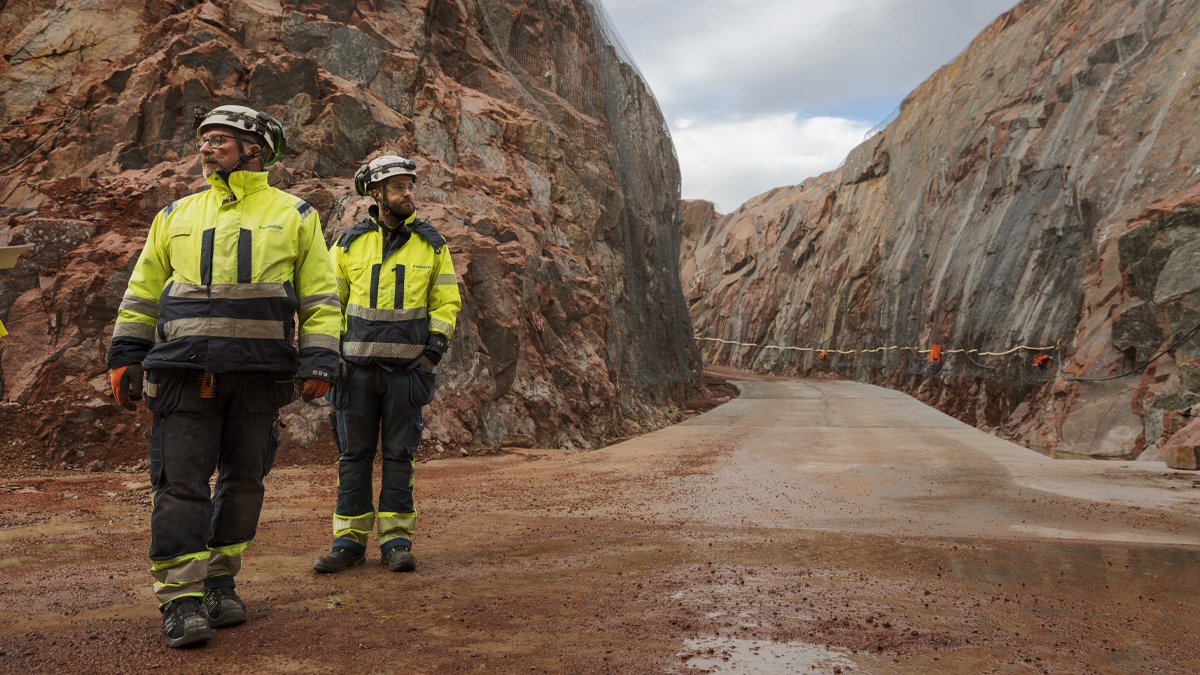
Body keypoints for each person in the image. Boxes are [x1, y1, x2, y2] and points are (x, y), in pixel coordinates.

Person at [107, 105, 341, 648]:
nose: (207, 148)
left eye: (219, 139)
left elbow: (321, 299)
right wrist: (125, 352)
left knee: (243, 484)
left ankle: (219, 581)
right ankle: (182, 600)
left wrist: (321, 359)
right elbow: (141, 291)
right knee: (179, 484)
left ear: (255, 149)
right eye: (204, 140)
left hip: (259, 377)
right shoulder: (175, 215)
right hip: (183, 374)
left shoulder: (297, 216)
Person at [312, 155, 461, 575]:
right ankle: (348, 544)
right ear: (375, 195)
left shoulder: (433, 245)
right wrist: (327, 357)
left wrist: (432, 354)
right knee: (353, 456)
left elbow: (446, 302)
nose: (408, 193)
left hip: (406, 376)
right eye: (398, 186)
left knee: (399, 456)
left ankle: (396, 541)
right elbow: (326, 302)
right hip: (354, 374)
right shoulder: (347, 243)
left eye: (410, 185)